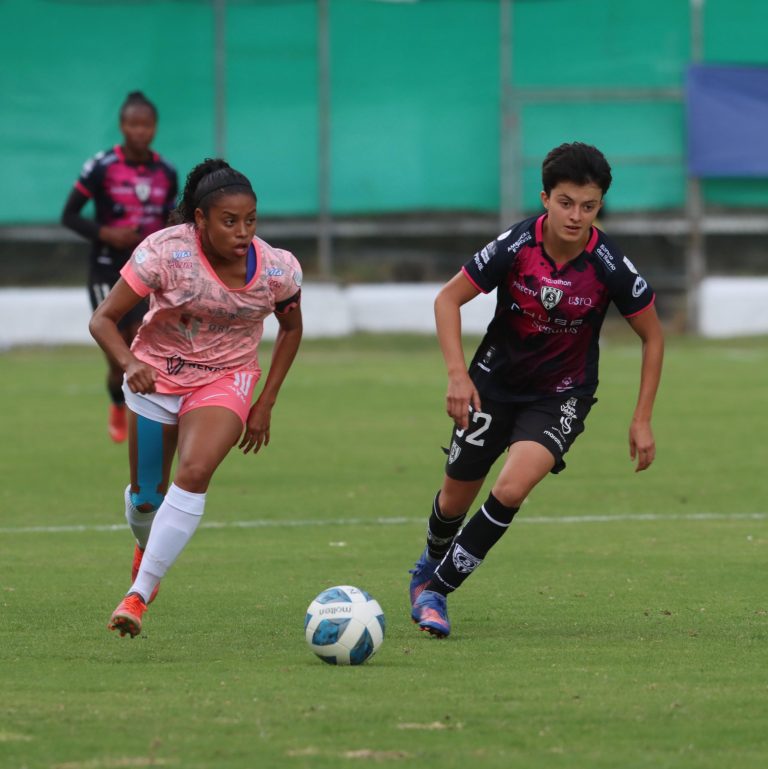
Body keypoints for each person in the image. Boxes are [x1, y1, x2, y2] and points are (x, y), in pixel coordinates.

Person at [408, 142, 664, 638]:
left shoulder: (608, 263)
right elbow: (447, 299)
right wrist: (458, 373)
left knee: (511, 487)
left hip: (561, 396)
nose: (576, 216)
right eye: (566, 202)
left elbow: (653, 336)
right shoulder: (515, 246)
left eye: (589, 206)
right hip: (492, 383)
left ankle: (437, 590)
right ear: (545, 197)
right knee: (455, 497)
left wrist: (642, 417)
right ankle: (428, 566)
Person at [89, 158, 303, 638]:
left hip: (227, 379)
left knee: (195, 471)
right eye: (230, 221)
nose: (243, 232)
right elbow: (103, 319)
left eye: (250, 220)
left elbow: (291, 328)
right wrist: (131, 364)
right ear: (200, 220)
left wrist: (265, 401)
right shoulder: (165, 253)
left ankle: (137, 597)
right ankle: (148, 546)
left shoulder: (277, 269)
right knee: (146, 501)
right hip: (155, 378)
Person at [62, 91, 178, 443]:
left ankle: (145, 418)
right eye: (133, 124)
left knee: (144, 347)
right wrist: (107, 234)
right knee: (120, 355)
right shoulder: (101, 167)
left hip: (147, 272)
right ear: (122, 126)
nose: (139, 131)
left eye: (146, 124)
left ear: (155, 128)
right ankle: (116, 400)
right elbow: (69, 216)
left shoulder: (166, 172)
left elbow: (171, 221)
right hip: (106, 269)